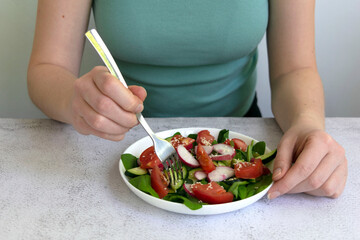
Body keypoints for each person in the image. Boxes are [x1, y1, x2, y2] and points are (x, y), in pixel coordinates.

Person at [27, 0, 347, 200]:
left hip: (241, 141)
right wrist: (76, 102)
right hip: (116, 142)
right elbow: (47, 69)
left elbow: (295, 69)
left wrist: (306, 124)